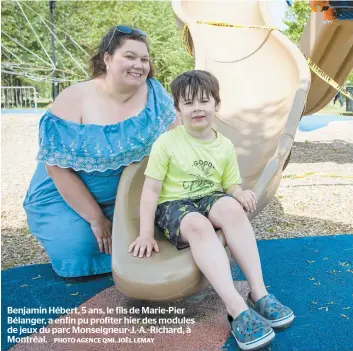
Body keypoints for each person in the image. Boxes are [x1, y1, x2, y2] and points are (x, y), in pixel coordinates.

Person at [129, 70, 294, 351]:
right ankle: (236, 308)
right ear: (177, 109)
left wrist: (239, 192)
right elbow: (151, 191)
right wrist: (146, 233)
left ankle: (259, 292)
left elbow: (229, 183)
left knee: (232, 208)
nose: (197, 108)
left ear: (217, 105)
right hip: (174, 204)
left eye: (204, 101)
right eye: (189, 102)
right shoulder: (166, 143)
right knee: (197, 225)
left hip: (209, 197)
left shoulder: (224, 145)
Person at [23, 25, 178, 278]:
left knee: (152, 245)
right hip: (65, 195)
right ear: (107, 59)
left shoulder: (154, 94)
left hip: (126, 194)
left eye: (144, 59)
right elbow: (56, 169)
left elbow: (177, 140)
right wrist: (96, 219)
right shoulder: (73, 99)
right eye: (129, 56)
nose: (139, 65)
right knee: (79, 249)